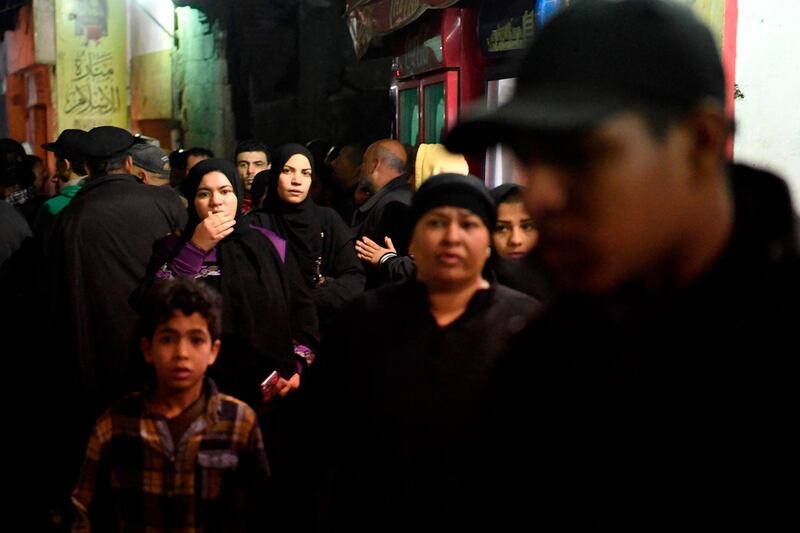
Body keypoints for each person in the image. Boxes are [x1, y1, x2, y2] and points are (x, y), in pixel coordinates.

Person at [443, 0, 799, 527]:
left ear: (701, 141)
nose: (541, 194)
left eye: (582, 154)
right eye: (529, 156)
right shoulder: (545, 359)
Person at [325, 173, 541, 530]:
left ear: (488, 240)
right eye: (437, 223)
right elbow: (322, 436)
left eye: (469, 224)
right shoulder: (364, 320)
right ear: (413, 239)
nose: (452, 237)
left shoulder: (525, 324)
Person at [71, 278, 270, 531]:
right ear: (147, 349)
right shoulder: (115, 423)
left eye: (196, 340)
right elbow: (82, 512)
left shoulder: (239, 422)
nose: (181, 353)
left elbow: (260, 511)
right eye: (167, 339)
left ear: (213, 351)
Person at [142, 157, 319, 410]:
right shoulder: (172, 247)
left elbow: (303, 311)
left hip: (267, 391)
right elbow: (153, 305)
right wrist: (196, 247)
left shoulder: (269, 245)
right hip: (191, 389)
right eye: (204, 194)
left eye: (225, 191)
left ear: (237, 196)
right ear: (192, 201)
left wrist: (297, 367)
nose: (216, 202)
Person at [246, 144, 365, 322]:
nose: (297, 180)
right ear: (275, 174)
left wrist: (310, 302)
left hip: (326, 325)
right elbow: (249, 284)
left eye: (305, 173)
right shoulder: (257, 223)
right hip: (274, 326)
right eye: (287, 171)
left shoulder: (328, 220)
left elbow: (354, 276)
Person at [235, 139, 270, 214]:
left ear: (269, 167)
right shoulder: (228, 205)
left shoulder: (279, 204)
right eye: (243, 165)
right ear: (235, 168)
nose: (250, 171)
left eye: (258, 164)